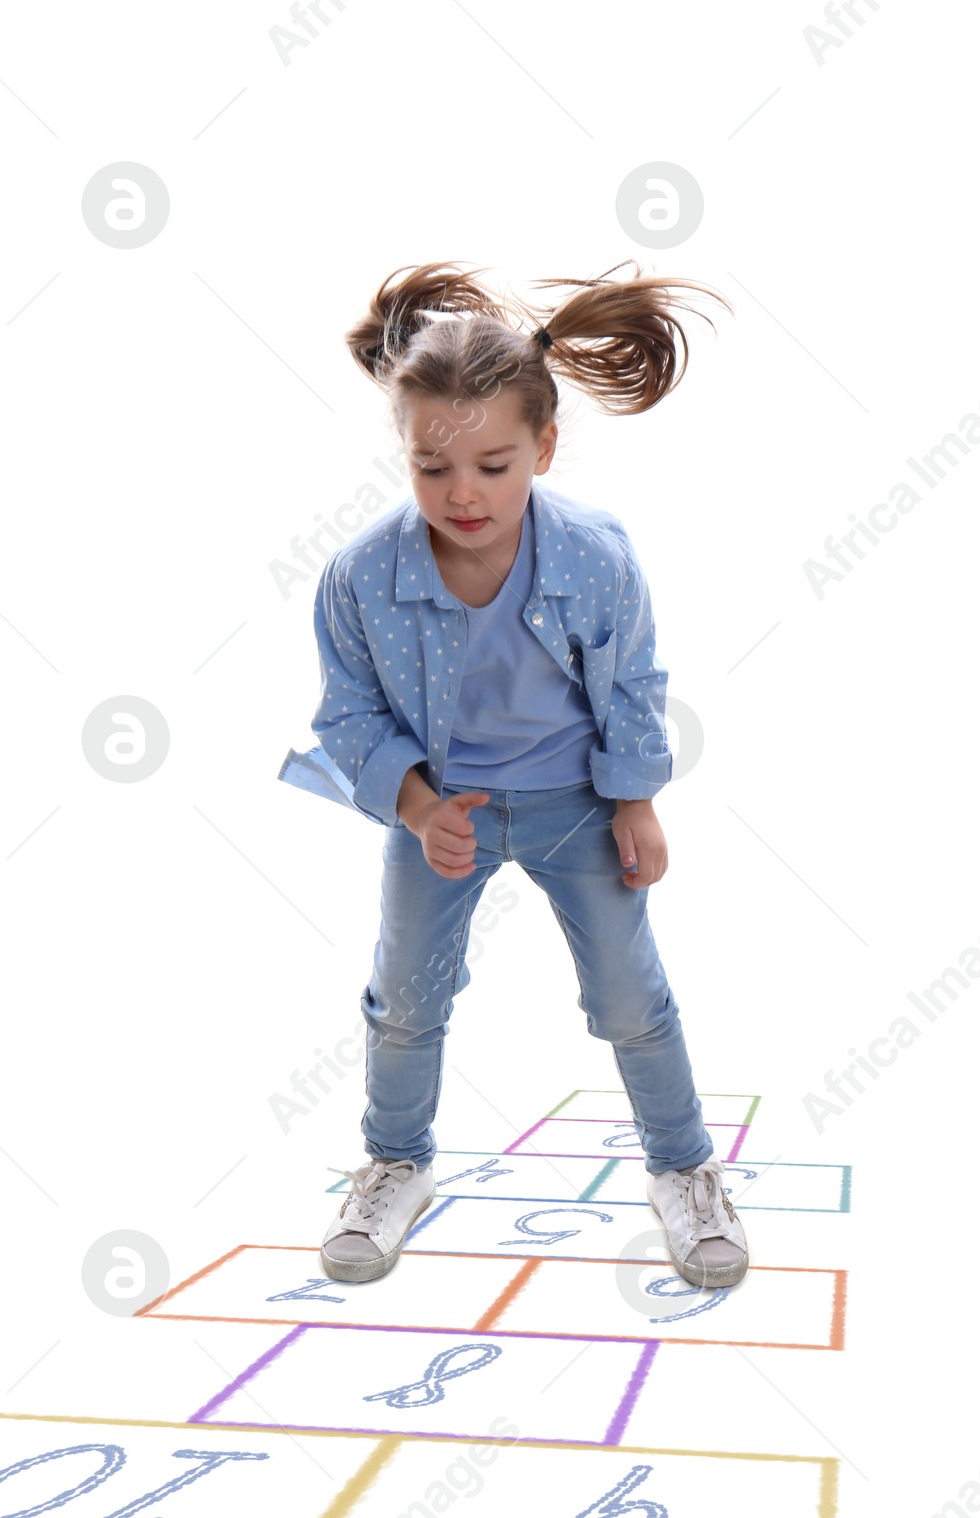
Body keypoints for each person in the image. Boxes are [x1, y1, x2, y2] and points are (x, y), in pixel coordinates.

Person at [277, 260, 747, 1295]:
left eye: (493, 465)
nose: (464, 495)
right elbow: (347, 713)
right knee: (405, 997)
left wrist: (635, 800)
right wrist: (416, 805)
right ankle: (395, 1159)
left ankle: (685, 1168)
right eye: (432, 468)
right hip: (440, 811)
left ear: (540, 445)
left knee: (631, 995)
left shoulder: (592, 556)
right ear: (403, 452)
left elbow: (632, 681)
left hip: (576, 805)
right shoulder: (361, 575)